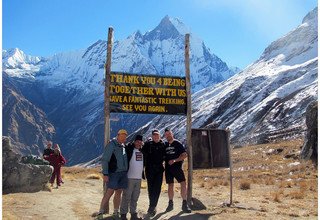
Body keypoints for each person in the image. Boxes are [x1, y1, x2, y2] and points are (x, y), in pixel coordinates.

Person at [95, 129, 129, 219]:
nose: (123, 138)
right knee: (109, 192)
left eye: (125, 137)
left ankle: (115, 212)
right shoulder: (111, 145)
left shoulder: (123, 146)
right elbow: (105, 160)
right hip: (113, 173)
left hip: (122, 173)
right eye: (122, 136)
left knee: (118, 192)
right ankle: (100, 212)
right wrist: (105, 173)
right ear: (118, 135)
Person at [164, 128, 191, 213]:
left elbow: (184, 155)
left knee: (183, 183)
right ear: (165, 136)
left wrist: (175, 160)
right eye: (166, 134)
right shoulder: (165, 144)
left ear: (172, 134)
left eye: (169, 134)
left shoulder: (177, 143)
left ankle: (184, 203)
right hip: (168, 169)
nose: (168, 136)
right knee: (170, 185)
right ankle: (170, 203)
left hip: (177, 168)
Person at [141, 129, 166, 217]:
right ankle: (152, 206)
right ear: (152, 136)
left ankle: (152, 206)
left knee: (157, 189)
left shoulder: (163, 145)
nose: (156, 137)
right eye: (154, 135)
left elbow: (167, 156)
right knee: (150, 189)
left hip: (159, 170)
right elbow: (142, 155)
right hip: (149, 169)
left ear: (159, 136)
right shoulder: (148, 144)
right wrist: (142, 170)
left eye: (157, 135)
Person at [120, 135, 144, 220]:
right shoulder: (129, 149)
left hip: (139, 178)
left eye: (140, 141)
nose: (139, 143)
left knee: (135, 197)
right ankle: (123, 214)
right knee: (126, 196)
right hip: (129, 177)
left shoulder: (143, 151)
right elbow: (123, 147)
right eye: (137, 141)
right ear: (134, 142)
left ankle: (133, 214)